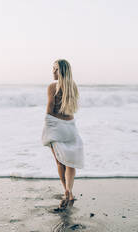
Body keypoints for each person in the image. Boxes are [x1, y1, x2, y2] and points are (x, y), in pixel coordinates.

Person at [41, 59, 84, 210]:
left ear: (62, 71)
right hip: (70, 127)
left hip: (56, 126)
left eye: (55, 69)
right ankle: (69, 191)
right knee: (70, 162)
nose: (53, 72)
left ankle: (66, 191)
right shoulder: (73, 87)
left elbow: (50, 107)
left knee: (60, 162)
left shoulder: (53, 87)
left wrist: (46, 124)